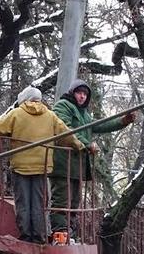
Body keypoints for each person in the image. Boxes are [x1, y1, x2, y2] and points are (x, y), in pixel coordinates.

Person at [0, 86, 88, 254]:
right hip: (42, 169)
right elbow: (66, 134)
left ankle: (26, 238)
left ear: (23, 99)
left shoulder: (16, 114)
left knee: (23, 204)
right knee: (41, 205)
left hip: (20, 168)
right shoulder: (50, 116)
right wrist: (80, 146)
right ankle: (40, 238)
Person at [50, 79, 136, 237]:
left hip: (77, 166)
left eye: (85, 94)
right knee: (61, 201)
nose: (82, 96)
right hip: (63, 164)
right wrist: (86, 144)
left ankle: (70, 234)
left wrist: (122, 121)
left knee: (74, 203)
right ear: (72, 92)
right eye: (79, 92)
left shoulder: (84, 114)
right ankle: (59, 235)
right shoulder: (63, 106)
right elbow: (65, 129)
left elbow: (100, 125)